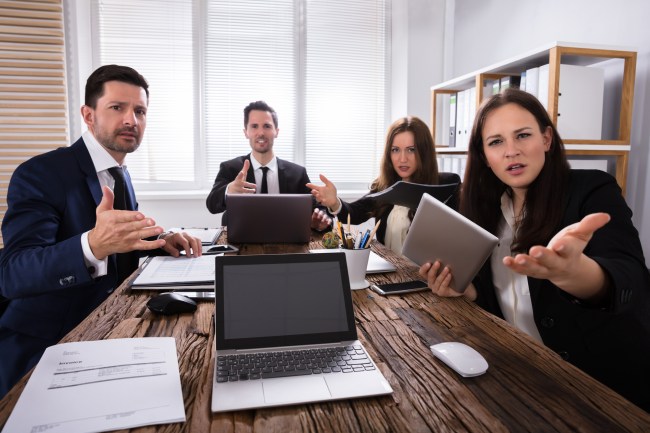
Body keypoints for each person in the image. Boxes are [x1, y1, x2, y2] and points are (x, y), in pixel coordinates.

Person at [419, 87, 650, 411]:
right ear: (484, 156)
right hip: (526, 378)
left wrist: (574, 273)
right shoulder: (481, 209)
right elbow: (508, 299)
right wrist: (469, 292)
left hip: (605, 391)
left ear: (546, 139)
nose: (511, 151)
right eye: (496, 141)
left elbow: (631, 280)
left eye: (523, 135)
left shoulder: (592, 190)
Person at [0, 64, 202, 398]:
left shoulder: (118, 173)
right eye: (117, 108)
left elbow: (117, 243)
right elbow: (13, 273)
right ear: (88, 114)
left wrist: (159, 240)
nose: (131, 120)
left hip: (111, 331)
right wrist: (91, 245)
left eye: (139, 111)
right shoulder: (42, 173)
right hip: (48, 347)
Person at [307, 116, 460, 255]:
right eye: (395, 150)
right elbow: (355, 213)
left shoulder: (445, 185)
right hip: (392, 273)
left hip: (429, 277)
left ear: (424, 152)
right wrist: (334, 202)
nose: (402, 159)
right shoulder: (384, 186)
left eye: (411, 150)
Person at [205, 100, 331, 230]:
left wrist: (320, 219)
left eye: (267, 126)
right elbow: (212, 205)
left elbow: (319, 209)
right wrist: (229, 191)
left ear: (276, 131)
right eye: (254, 126)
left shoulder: (297, 173)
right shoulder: (230, 168)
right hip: (241, 243)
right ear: (245, 132)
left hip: (286, 242)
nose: (261, 133)